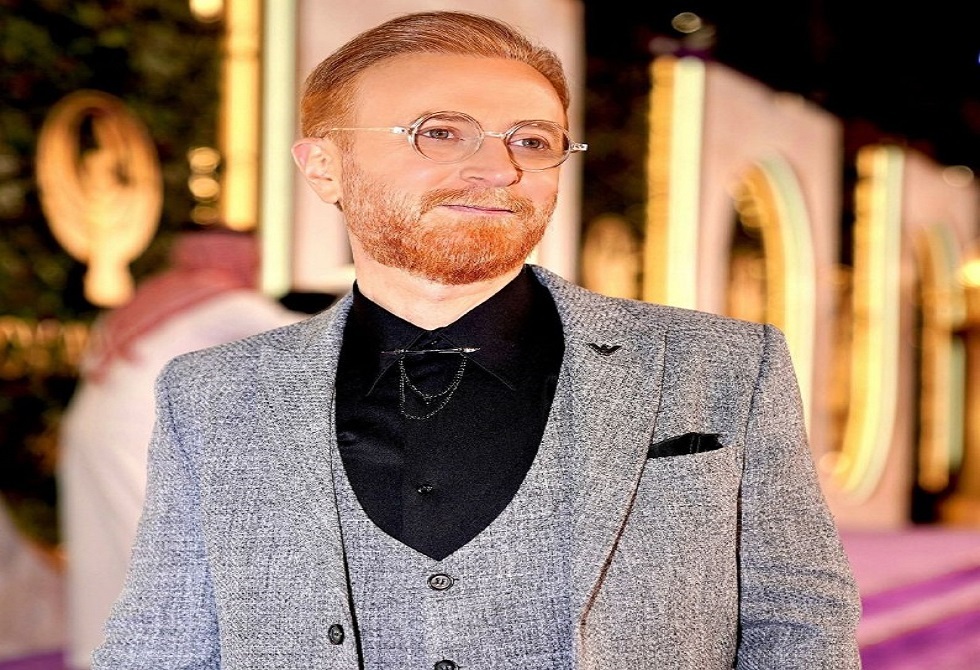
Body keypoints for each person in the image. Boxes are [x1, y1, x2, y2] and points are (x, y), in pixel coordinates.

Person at [92, 11, 861, 669]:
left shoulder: (726, 367)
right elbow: (163, 643)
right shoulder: (213, 392)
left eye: (532, 140)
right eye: (439, 133)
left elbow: (800, 627)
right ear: (324, 167)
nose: (498, 168)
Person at [59, 226, 304, 670]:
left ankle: (98, 655)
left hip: (90, 429)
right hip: (135, 435)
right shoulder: (225, 302)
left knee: (103, 547)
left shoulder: (153, 296)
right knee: (157, 552)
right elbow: (309, 340)